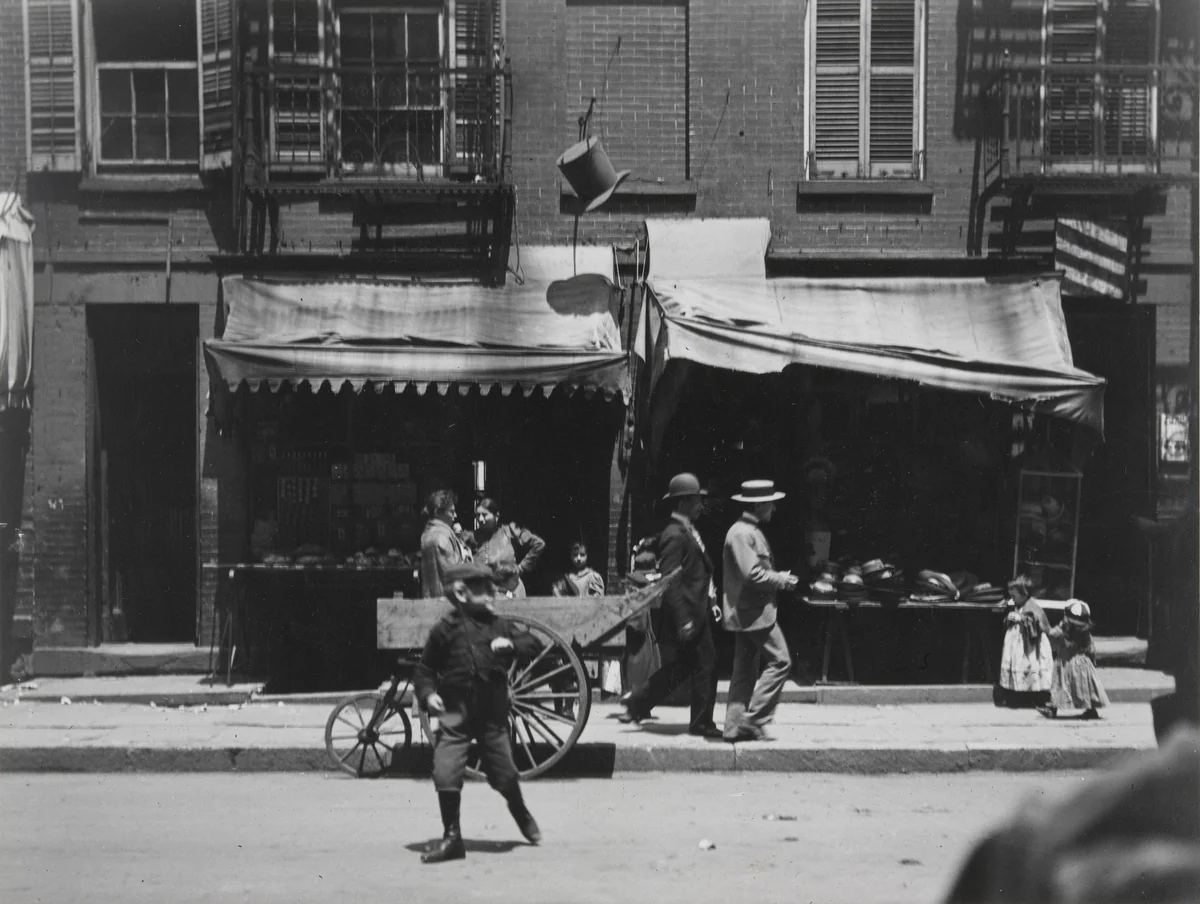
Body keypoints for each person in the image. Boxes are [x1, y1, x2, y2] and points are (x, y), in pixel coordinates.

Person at [413, 561, 543, 864]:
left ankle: (519, 810)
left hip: (491, 716)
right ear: (461, 592)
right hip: (455, 715)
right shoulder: (444, 631)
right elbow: (425, 671)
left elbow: (532, 643)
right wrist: (428, 694)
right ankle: (452, 838)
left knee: (504, 774)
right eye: (483, 588)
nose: (492, 592)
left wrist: (511, 643)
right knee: (445, 771)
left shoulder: (498, 625)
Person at [618, 472, 721, 738]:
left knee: (684, 666)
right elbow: (670, 581)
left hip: (697, 610)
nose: (700, 505)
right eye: (697, 500)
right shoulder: (675, 534)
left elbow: (696, 573)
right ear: (683, 501)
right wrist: (684, 618)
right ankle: (701, 723)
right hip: (688, 614)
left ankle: (637, 701)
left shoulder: (686, 529)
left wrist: (709, 601)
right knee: (705, 665)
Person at [721, 479, 801, 742]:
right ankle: (752, 719)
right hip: (754, 613)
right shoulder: (743, 533)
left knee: (744, 670)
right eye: (770, 503)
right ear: (757, 504)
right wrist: (781, 579)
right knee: (781, 661)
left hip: (747, 612)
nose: (774, 508)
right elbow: (752, 574)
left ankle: (733, 727)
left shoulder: (745, 530)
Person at [1039, 600, 1110, 720]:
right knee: (1085, 687)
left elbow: (1050, 634)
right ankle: (1091, 709)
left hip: (1065, 663)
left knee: (1060, 685)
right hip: (1083, 663)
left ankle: (1052, 709)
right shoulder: (1086, 635)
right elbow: (1091, 650)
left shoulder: (1062, 632)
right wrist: (1092, 662)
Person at [995, 575, 1053, 709]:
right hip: (1017, 643)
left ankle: (1035, 696)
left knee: (1031, 666)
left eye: (1014, 596)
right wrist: (1010, 619)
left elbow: (1037, 623)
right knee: (1018, 666)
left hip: (1030, 645)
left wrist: (1021, 619)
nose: (1012, 599)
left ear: (1024, 594)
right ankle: (1018, 695)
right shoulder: (1017, 606)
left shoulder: (1032, 607)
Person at [472, 497, 546, 598]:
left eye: (484, 515)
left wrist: (522, 567)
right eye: (477, 515)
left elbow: (538, 544)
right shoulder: (472, 537)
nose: (480, 519)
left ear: (496, 516)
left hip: (511, 589)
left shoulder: (510, 532)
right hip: (484, 591)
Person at [620, 548, 664, 694]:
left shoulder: (633, 587)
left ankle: (639, 701)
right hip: (640, 634)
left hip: (639, 633)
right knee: (642, 668)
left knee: (638, 668)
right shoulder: (641, 587)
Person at [419, 489, 472, 598]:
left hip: (433, 600)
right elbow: (452, 573)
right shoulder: (442, 536)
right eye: (451, 512)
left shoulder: (428, 533)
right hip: (448, 601)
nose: (455, 515)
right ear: (438, 512)